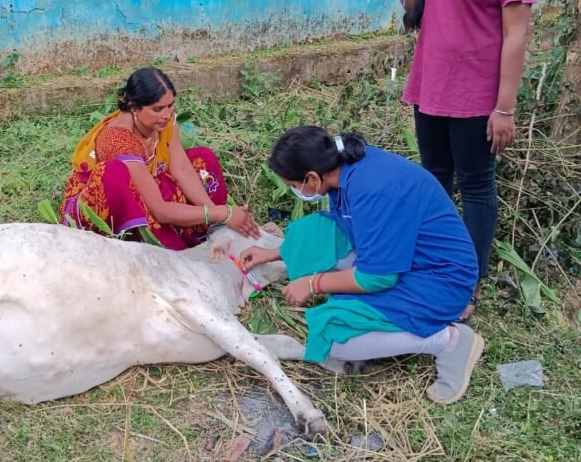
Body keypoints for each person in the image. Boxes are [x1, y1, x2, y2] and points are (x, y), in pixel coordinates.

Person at [383, 0, 538, 316]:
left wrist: (504, 107)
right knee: (434, 180)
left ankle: (467, 280)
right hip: (431, 83)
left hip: (476, 94)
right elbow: (414, 4)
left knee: (475, 185)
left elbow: (516, 36)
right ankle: (434, 263)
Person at [240, 126, 483, 405]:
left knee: (336, 338)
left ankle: (449, 340)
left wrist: (312, 283)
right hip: (409, 257)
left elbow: (378, 278)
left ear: (311, 177)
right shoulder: (343, 167)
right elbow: (348, 230)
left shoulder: (373, 190)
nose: (296, 191)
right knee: (312, 231)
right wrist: (272, 253)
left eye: (294, 187)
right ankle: (362, 305)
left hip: (439, 279)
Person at [60, 66, 260, 249]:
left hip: (147, 187)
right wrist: (222, 213)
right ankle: (153, 242)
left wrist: (215, 213)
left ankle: (203, 230)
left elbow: (180, 168)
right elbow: (159, 210)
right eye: (157, 109)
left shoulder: (164, 122)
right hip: (111, 202)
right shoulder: (118, 138)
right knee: (116, 174)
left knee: (203, 160)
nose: (166, 114)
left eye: (170, 105)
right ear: (134, 106)